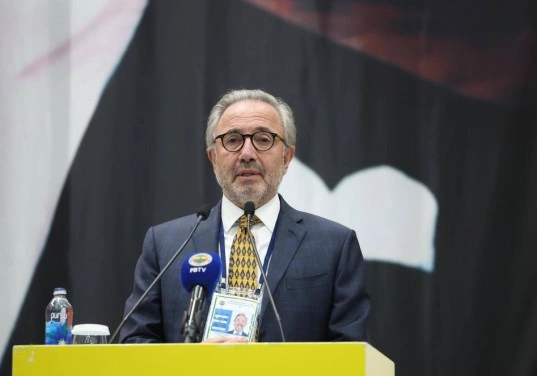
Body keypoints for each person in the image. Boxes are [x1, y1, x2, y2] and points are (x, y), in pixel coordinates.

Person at [120, 89, 369, 343]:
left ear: (286, 158)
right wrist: (193, 361)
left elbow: (351, 353)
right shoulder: (165, 246)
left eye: (263, 139)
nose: (247, 153)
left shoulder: (334, 246)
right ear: (213, 157)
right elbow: (134, 342)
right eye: (232, 140)